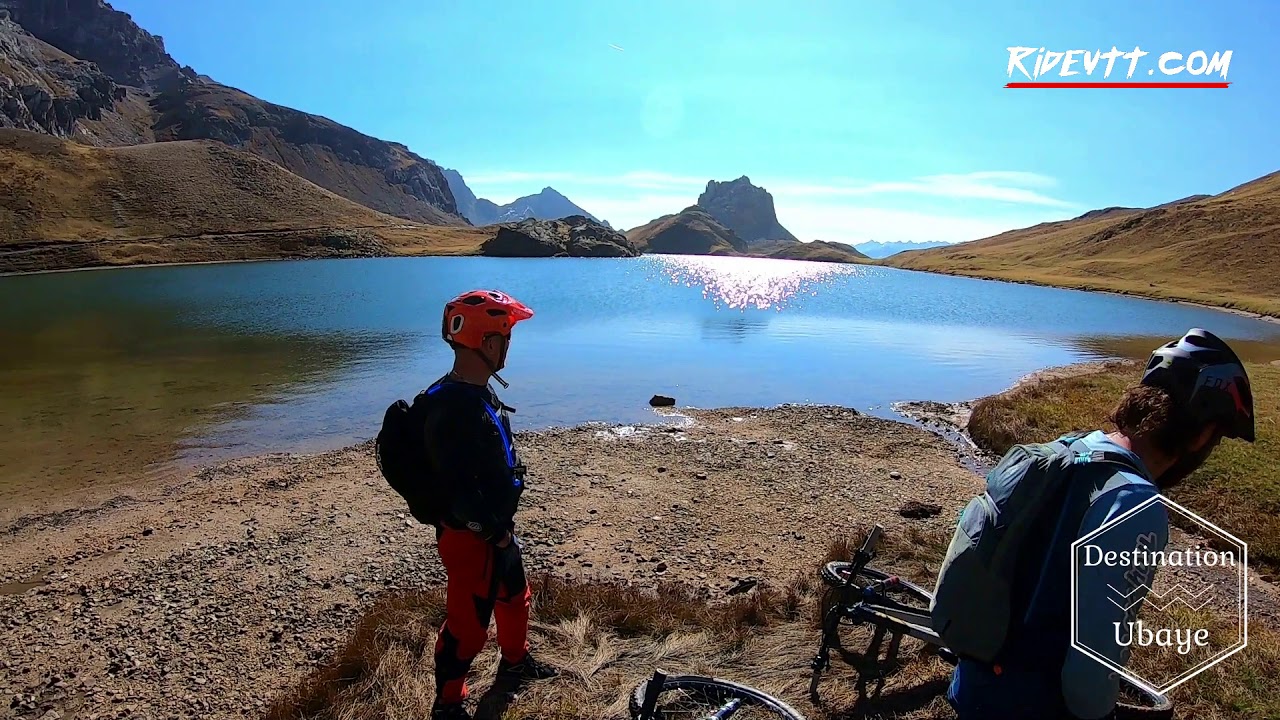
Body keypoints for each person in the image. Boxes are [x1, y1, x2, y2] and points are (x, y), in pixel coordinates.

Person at [946, 328, 1255, 720]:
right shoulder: (1134, 505)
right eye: (1217, 439)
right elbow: (1093, 667)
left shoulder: (1071, 449)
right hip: (1032, 705)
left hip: (974, 683)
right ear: (1202, 434)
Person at [425, 289, 558, 720]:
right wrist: (492, 532)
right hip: (470, 536)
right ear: (485, 343)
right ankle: (448, 704)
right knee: (467, 625)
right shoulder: (451, 408)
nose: (508, 347)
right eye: (505, 337)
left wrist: (501, 529)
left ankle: (516, 662)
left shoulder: (475, 392)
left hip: (496, 527)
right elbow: (456, 491)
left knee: (515, 595)